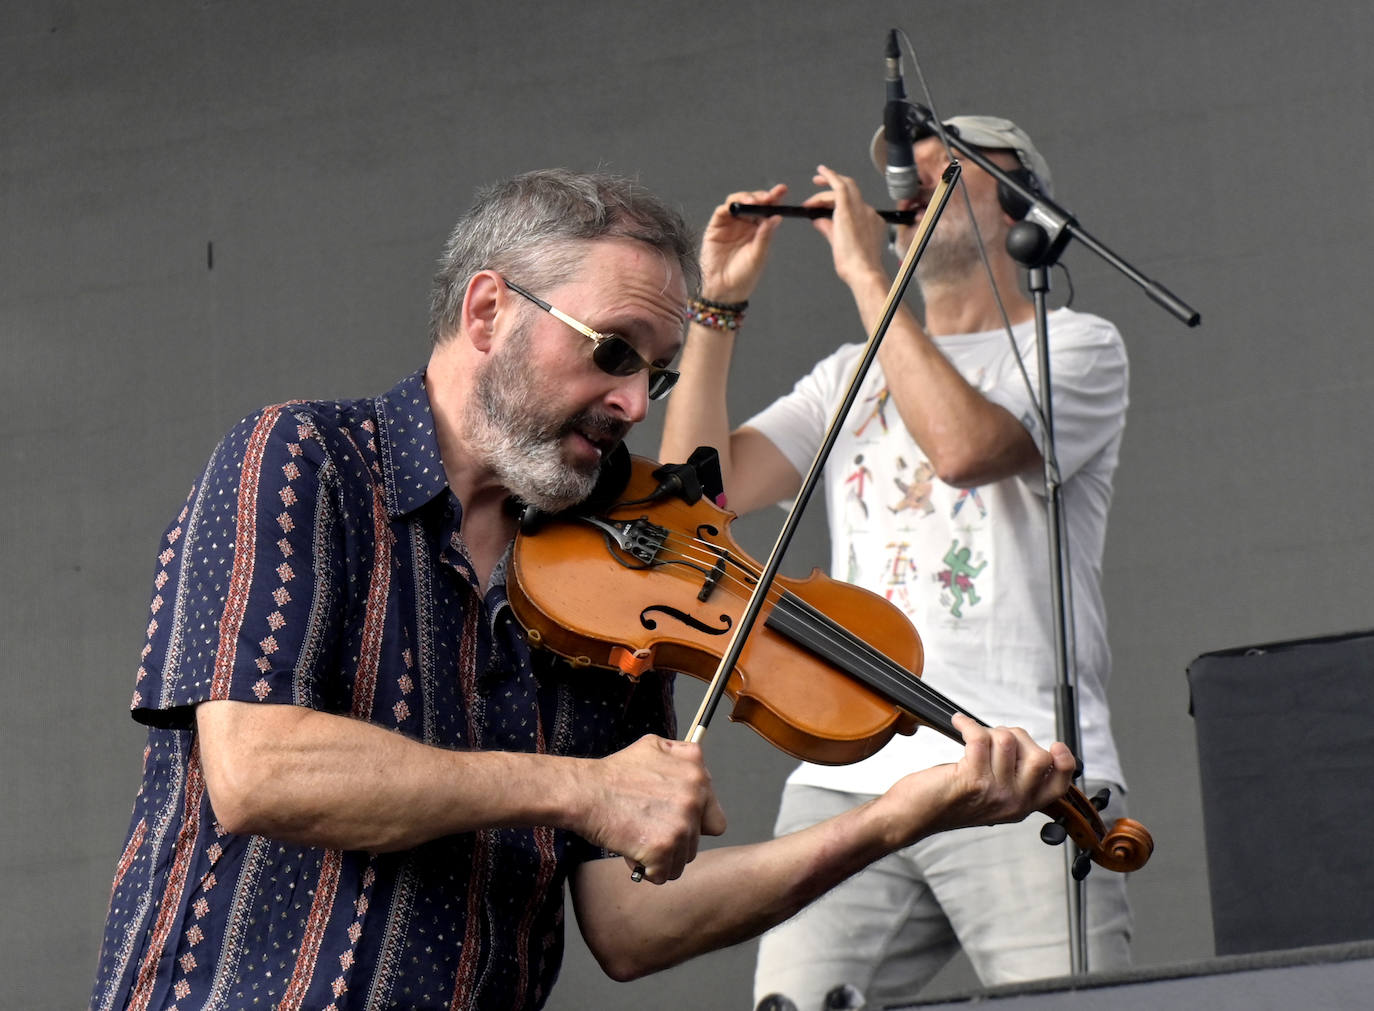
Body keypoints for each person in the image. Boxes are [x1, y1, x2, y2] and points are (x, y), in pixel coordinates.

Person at [90, 168, 1080, 1011]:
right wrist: (583, 789)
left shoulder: (616, 567)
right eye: (612, 352)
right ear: (488, 312)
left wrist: (890, 820)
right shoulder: (303, 458)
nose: (635, 403)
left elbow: (630, 922)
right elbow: (260, 770)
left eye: (657, 372)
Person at [659, 117, 1133, 1010]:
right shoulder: (847, 372)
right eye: (904, 164)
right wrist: (716, 307)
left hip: (1016, 759)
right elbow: (695, 497)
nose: (911, 175)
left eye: (947, 165)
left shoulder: (1073, 348)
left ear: (1020, 201)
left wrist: (868, 274)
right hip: (846, 771)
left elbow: (962, 448)